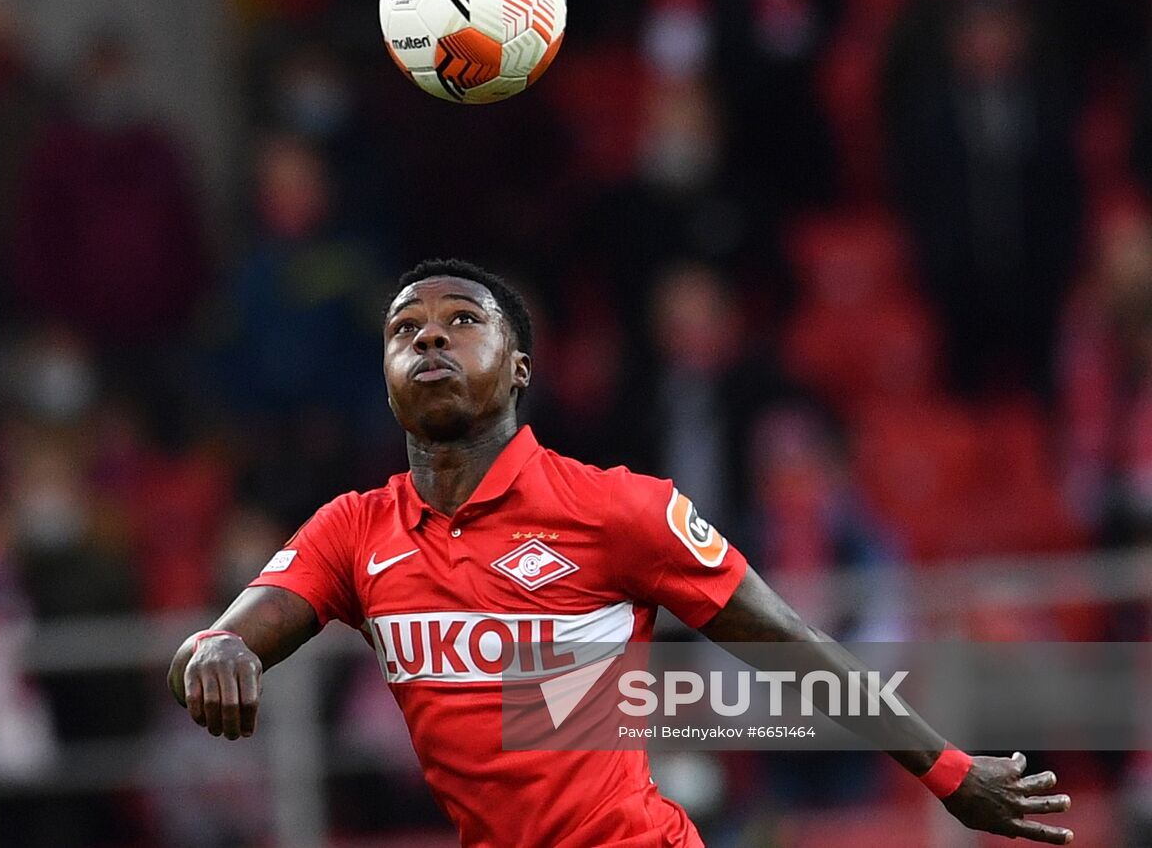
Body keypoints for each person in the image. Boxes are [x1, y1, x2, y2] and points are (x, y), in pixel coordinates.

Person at [167, 259, 1075, 847]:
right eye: (406, 330)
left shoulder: (614, 509)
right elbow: (235, 633)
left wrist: (949, 772)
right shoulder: (354, 529)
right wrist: (216, 649)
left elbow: (789, 642)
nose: (431, 336)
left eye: (462, 321)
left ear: (520, 369)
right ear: (388, 376)